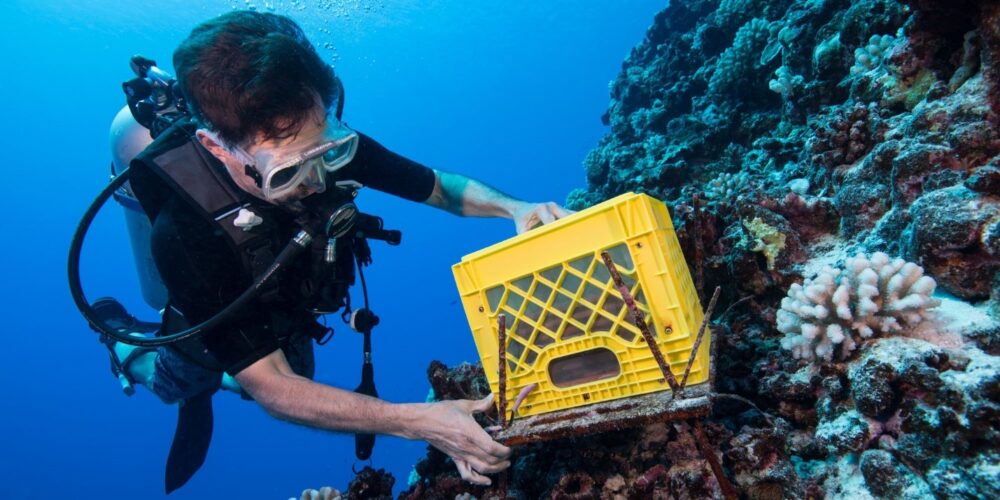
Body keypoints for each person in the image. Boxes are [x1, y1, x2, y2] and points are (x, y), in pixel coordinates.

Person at [111, 9, 572, 491]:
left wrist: (515, 208)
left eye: (328, 153)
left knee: (291, 374)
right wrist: (422, 421)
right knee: (182, 379)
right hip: (207, 306)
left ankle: (235, 369)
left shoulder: (321, 140)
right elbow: (275, 390)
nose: (316, 181)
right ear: (218, 147)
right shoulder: (182, 235)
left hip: (284, 302)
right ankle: (125, 344)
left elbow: (437, 188)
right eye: (287, 172)